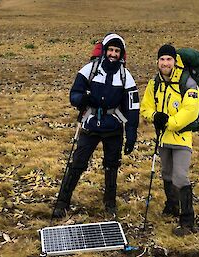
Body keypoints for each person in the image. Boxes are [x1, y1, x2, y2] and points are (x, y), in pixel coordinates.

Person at [53, 33, 140, 218]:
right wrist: (81, 99)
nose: (113, 54)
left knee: (111, 166)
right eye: (110, 49)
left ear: (121, 54)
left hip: (113, 127)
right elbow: (74, 94)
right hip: (90, 125)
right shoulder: (89, 69)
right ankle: (62, 202)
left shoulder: (126, 77)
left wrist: (131, 135)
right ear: (104, 50)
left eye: (117, 51)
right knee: (77, 163)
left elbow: (133, 108)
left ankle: (110, 204)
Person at [140, 44, 199, 236]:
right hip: (163, 139)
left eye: (169, 59)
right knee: (166, 174)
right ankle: (171, 206)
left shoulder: (187, 83)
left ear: (175, 61)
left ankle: (187, 220)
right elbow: (145, 108)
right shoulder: (154, 83)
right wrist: (155, 116)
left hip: (182, 138)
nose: (165, 63)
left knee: (180, 177)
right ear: (157, 62)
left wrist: (169, 122)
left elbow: (191, 110)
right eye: (162, 59)